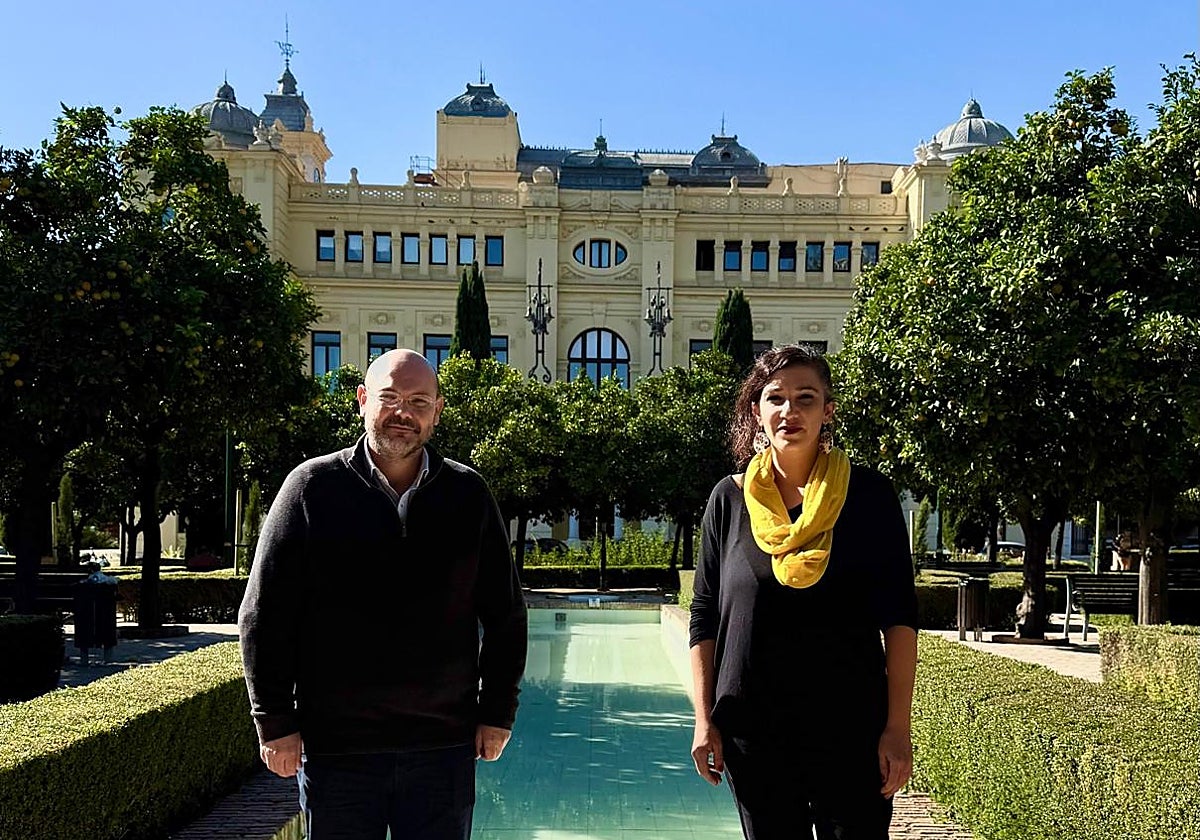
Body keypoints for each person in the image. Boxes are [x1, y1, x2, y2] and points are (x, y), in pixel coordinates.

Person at [239, 348, 527, 840]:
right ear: (362, 400)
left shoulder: (468, 495)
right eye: (390, 397)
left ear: (437, 412)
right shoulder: (309, 489)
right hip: (338, 750)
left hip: (442, 749)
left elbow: (505, 614)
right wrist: (274, 721)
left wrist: (497, 711)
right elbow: (265, 615)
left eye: (418, 401)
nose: (403, 412)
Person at [689, 344, 918, 840]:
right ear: (757, 411)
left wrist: (897, 727)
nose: (789, 411)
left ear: (827, 410)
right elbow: (704, 617)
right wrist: (703, 721)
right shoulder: (728, 500)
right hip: (754, 734)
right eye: (775, 398)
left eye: (805, 398)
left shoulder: (870, 498)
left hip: (851, 731)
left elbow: (899, 616)